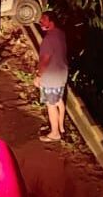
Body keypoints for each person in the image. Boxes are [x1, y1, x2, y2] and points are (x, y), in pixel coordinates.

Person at [34, 11, 69, 142]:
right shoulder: (61, 34)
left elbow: (45, 60)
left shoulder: (48, 39)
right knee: (59, 100)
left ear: (51, 22)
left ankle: (55, 133)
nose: (40, 21)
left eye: (43, 19)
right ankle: (61, 128)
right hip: (62, 74)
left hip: (51, 77)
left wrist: (38, 76)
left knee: (51, 104)